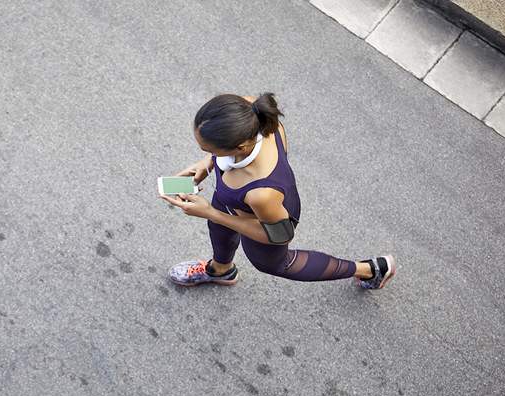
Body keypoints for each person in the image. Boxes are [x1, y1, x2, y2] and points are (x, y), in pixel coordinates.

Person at [160, 93, 395, 289]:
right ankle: (220, 271)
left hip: (265, 217)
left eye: (208, 149)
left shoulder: (260, 194)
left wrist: (211, 212)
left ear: (239, 147)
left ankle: (371, 269)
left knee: (276, 264)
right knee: (219, 227)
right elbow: (222, 151)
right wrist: (206, 163)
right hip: (234, 202)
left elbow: (280, 235)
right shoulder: (250, 112)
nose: (205, 151)